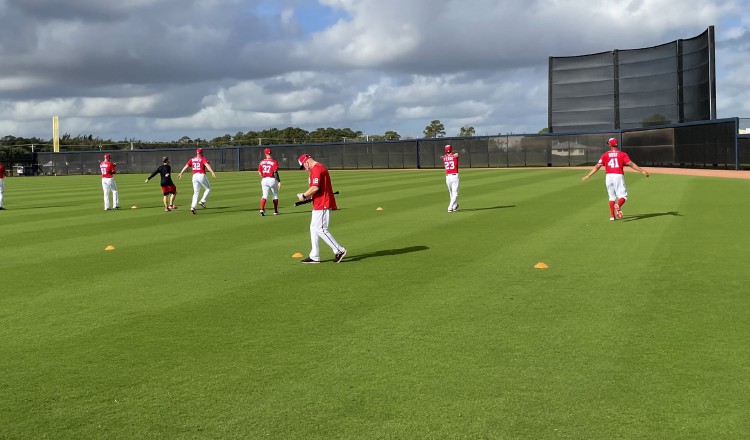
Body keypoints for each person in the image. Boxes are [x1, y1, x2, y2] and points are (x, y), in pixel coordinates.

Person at [582, 137, 650, 221]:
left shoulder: (605, 155)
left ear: (610, 144)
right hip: (618, 175)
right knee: (623, 196)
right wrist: (642, 171)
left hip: (608, 176)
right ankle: (618, 205)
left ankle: (612, 216)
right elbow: (631, 164)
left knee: (611, 197)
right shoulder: (622, 154)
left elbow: (597, 166)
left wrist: (589, 175)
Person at [296, 154, 347, 264]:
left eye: (303, 166)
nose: (304, 169)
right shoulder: (317, 168)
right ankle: (314, 256)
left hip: (322, 203)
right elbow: (316, 189)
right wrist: (308, 196)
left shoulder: (317, 169)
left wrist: (304, 196)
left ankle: (339, 250)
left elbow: (315, 187)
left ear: (306, 161)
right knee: (313, 228)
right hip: (319, 203)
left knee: (320, 229)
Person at [178, 147, 216, 215]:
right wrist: (212, 172)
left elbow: (186, 166)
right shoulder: (203, 159)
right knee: (208, 188)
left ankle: (193, 207)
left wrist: (181, 173)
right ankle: (202, 201)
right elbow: (207, 165)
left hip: (194, 176)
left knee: (196, 193)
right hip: (201, 175)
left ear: (197, 152)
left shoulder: (192, 159)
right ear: (201, 152)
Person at [258, 148, 281, 216]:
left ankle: (262, 209)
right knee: (275, 195)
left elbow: (259, 172)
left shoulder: (261, 162)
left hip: (264, 179)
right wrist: (279, 181)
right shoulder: (274, 162)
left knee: (265, 195)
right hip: (272, 179)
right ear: (271, 153)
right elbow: (275, 172)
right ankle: (276, 211)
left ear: (265, 154)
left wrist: (264, 178)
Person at [441, 144, 459, 212]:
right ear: (451, 149)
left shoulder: (444, 157)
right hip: (454, 176)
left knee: (451, 193)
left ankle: (454, 206)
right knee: (455, 193)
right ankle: (450, 207)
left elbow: (443, 156)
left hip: (448, 177)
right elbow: (456, 155)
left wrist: (443, 157)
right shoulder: (454, 156)